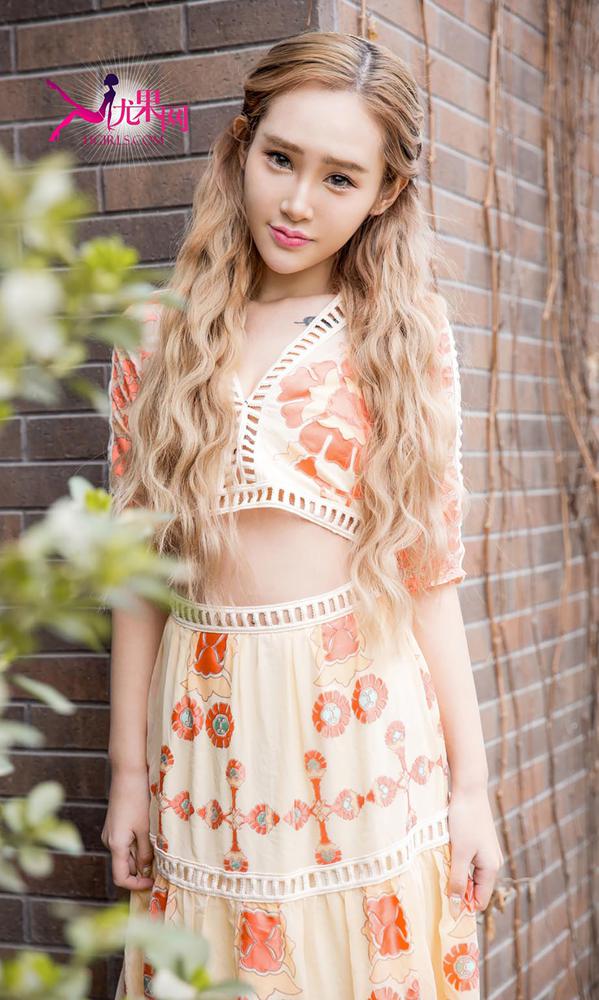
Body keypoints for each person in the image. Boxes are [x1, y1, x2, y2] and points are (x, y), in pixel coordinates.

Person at [102, 29, 503, 1000]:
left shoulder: (401, 339)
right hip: (208, 738)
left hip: (365, 736)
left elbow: (429, 578)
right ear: (242, 146)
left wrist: (470, 790)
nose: (296, 201)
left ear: (384, 193)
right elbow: (136, 574)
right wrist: (125, 777)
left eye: (338, 178)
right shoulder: (157, 336)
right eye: (280, 159)